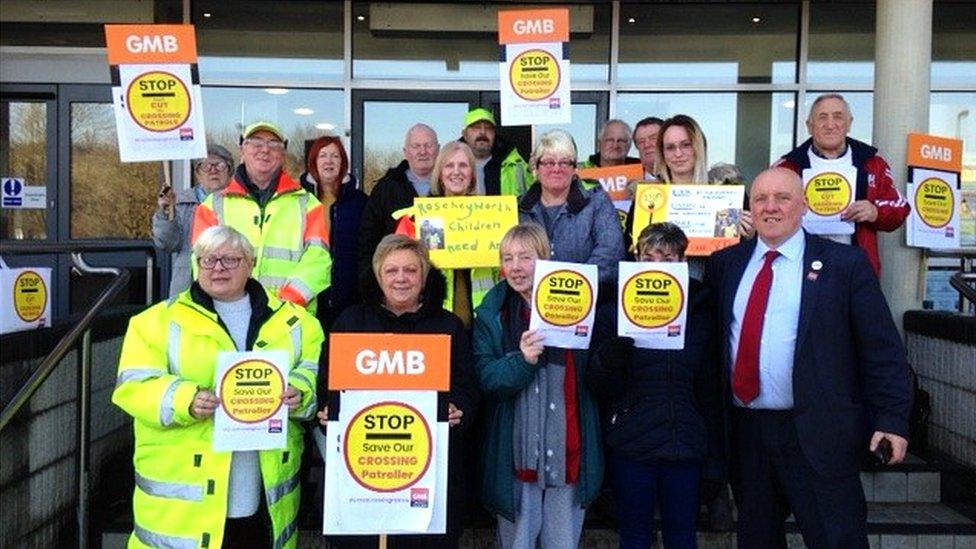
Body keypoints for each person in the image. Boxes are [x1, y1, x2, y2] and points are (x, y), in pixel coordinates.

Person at [704, 167, 912, 548]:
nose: (770, 208)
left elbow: (881, 350)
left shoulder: (844, 265)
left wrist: (892, 419)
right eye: (760, 199)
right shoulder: (725, 265)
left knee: (837, 540)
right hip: (747, 435)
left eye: (782, 198)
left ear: (803, 205)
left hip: (820, 434)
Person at [113, 225, 322, 549]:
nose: (217, 268)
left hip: (261, 491)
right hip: (184, 512)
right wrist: (186, 399)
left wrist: (299, 394)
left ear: (250, 263)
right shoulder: (154, 322)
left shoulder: (298, 322)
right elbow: (133, 388)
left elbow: (310, 376)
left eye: (229, 259)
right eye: (207, 260)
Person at [318, 234, 479, 549]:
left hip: (427, 478)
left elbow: (467, 387)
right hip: (362, 479)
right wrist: (326, 410)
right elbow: (328, 385)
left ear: (424, 276)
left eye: (410, 270)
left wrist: (459, 407)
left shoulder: (448, 326)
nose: (401, 278)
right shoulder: (351, 323)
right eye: (391, 271)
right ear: (378, 276)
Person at [588, 222, 725, 549]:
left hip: (685, 446)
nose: (658, 265)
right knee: (634, 539)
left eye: (668, 258)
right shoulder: (611, 312)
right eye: (649, 257)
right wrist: (607, 358)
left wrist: (715, 460)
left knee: (682, 539)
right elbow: (596, 385)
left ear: (682, 263)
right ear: (637, 260)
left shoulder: (700, 312)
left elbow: (710, 391)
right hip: (632, 445)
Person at [472, 223, 603, 549]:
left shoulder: (579, 304)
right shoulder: (493, 312)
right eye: (507, 258)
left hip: (568, 454)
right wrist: (522, 361)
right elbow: (486, 376)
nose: (515, 267)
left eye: (525, 257)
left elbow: (596, 381)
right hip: (515, 459)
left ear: (544, 259)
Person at [192, 120, 331, 312]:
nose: (265, 149)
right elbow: (201, 261)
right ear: (242, 149)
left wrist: (284, 303)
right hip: (228, 315)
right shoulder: (213, 205)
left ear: (283, 154)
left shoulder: (308, 204)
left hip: (290, 317)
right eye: (256, 142)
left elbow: (319, 260)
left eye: (274, 144)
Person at [773, 93, 909, 277]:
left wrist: (874, 211)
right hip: (799, 269)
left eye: (838, 117)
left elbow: (900, 207)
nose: (830, 125)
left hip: (856, 270)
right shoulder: (787, 167)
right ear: (809, 126)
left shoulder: (872, 164)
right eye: (822, 118)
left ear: (849, 123)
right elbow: (768, 212)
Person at [518, 129, 625, 292]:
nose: (556, 169)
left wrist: (572, 289)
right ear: (537, 168)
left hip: (586, 303)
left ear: (574, 168)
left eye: (565, 162)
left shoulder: (597, 201)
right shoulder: (519, 207)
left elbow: (610, 253)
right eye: (548, 162)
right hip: (530, 304)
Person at [299, 135, 368, 328]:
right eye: (323, 155)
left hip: (349, 298)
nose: (329, 161)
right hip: (307, 295)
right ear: (313, 162)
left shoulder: (360, 202)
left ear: (343, 162)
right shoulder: (298, 200)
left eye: (335, 156)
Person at [428, 141, 498, 326]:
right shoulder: (422, 217)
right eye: (449, 165)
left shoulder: (491, 215)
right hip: (436, 318)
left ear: (472, 174)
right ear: (440, 173)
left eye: (463, 165)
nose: (456, 171)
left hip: (484, 320)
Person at [358, 123, 439, 279]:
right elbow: (367, 242)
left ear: (438, 149)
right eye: (416, 146)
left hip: (442, 282)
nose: (423, 151)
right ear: (405, 152)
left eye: (428, 145)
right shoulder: (386, 188)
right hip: (397, 281)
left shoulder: (450, 187)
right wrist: (370, 283)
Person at [152, 144, 234, 297]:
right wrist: (165, 212)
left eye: (220, 165)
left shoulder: (242, 203)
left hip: (228, 283)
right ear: (197, 173)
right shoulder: (181, 203)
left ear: (230, 171)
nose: (213, 170)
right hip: (188, 287)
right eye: (205, 165)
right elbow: (167, 244)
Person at [459, 107, 533, 196]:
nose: (483, 132)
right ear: (465, 135)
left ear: (494, 134)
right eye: (476, 127)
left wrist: (534, 174)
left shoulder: (515, 164)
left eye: (488, 128)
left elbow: (533, 198)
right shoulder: (450, 166)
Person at [655, 114, 709, 185]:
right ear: (662, 153)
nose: (678, 154)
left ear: (699, 147)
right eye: (670, 147)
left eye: (686, 145)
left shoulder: (721, 192)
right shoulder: (647, 193)